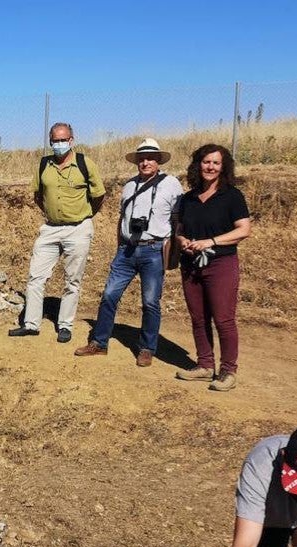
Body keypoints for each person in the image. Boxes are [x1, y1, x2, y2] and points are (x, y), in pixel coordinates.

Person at [74, 139, 183, 366]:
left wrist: (175, 249)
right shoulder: (129, 185)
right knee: (109, 296)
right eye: (141, 159)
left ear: (158, 161)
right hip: (126, 250)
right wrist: (118, 246)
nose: (145, 162)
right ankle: (99, 343)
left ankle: (146, 348)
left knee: (150, 301)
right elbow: (121, 219)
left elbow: (179, 218)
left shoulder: (172, 184)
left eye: (150, 158)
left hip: (154, 249)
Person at [11, 122, 106, 343]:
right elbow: (37, 194)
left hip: (78, 228)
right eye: (55, 140)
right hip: (50, 228)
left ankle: (65, 325)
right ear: (50, 141)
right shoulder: (44, 164)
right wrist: (51, 213)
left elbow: (99, 194)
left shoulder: (84, 163)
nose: (59, 144)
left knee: (72, 280)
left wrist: (87, 214)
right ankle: (31, 324)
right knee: (36, 276)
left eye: (63, 140)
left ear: (72, 140)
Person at [173, 143, 251, 391]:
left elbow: (244, 230)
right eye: (206, 162)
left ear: (223, 167)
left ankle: (228, 371)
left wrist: (212, 241)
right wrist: (182, 240)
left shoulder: (232, 196)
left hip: (221, 263)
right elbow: (179, 228)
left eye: (216, 163)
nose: (210, 167)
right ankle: (205, 365)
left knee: (224, 319)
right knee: (198, 317)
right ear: (198, 164)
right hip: (191, 265)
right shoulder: (188, 198)